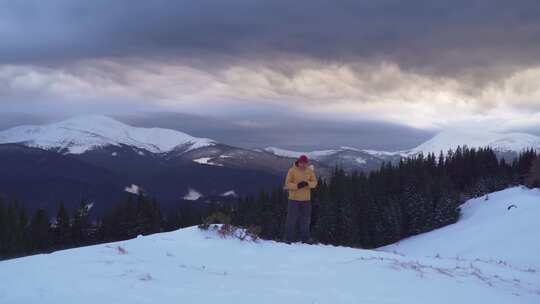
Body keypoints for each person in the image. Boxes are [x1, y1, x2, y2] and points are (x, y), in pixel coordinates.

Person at [284, 155, 318, 243]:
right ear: (298, 162)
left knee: (306, 220)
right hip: (293, 199)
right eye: (301, 163)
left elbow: (314, 183)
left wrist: (307, 184)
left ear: (307, 163)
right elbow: (287, 184)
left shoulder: (309, 171)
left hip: (306, 199)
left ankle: (305, 238)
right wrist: (297, 186)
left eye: (305, 163)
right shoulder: (292, 170)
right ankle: (288, 238)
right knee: (291, 219)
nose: (303, 165)